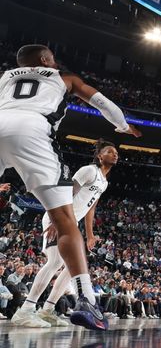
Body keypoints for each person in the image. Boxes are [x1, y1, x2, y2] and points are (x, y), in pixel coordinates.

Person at [0, 44, 142, 330]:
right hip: (33, 129)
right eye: (52, 58)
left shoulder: (4, 77)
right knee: (65, 226)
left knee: (60, 257)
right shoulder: (64, 78)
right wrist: (124, 126)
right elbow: (103, 103)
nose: (55, 62)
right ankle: (87, 302)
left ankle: (46, 308)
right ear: (43, 60)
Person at [14, 140, 118, 328]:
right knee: (55, 262)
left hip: (71, 223)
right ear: (99, 156)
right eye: (110, 151)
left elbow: (91, 208)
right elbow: (67, 193)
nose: (115, 154)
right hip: (58, 216)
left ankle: (47, 310)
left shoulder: (104, 182)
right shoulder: (89, 171)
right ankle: (25, 310)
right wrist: (56, 219)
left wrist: (90, 235)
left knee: (72, 269)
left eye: (116, 152)